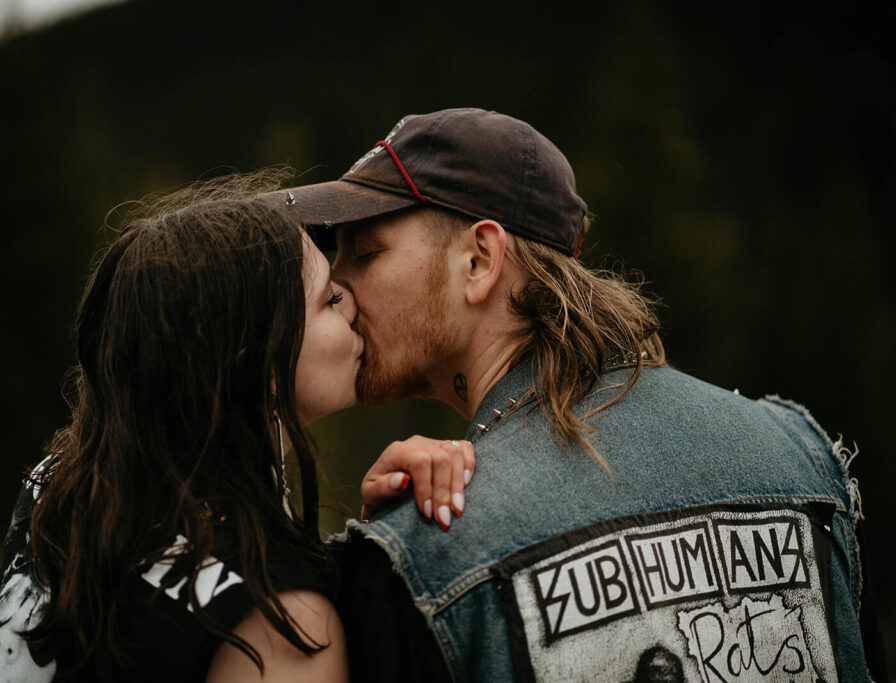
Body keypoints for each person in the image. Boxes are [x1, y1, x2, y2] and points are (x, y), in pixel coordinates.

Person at [265, 108, 886, 682]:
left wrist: (394, 565)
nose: (337, 286)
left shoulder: (436, 539)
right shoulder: (799, 452)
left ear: (480, 260)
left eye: (365, 252)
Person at [0, 177, 476, 683]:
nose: (353, 300)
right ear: (257, 370)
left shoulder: (62, 490)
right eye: (327, 300)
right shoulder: (283, 628)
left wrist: (368, 546)